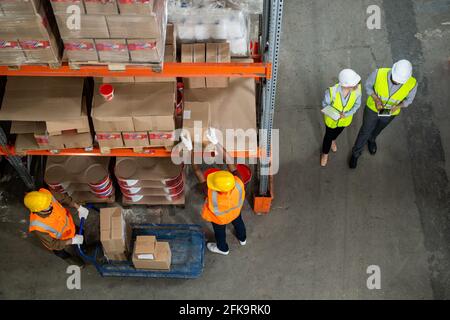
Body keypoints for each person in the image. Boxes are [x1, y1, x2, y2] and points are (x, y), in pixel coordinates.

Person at [349, 60, 418, 169]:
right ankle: (355, 153)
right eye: (396, 80)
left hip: (390, 112)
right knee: (365, 130)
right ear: (393, 70)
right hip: (372, 109)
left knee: (379, 127)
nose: (397, 83)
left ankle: (372, 139)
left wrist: (397, 107)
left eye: (400, 82)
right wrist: (376, 99)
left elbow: (408, 100)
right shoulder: (378, 73)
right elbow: (368, 86)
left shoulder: (412, 83)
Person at [24, 188, 89, 266]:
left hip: (70, 227)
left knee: (81, 235)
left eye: (49, 202)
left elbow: (64, 198)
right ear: (38, 211)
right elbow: (52, 244)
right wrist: (71, 241)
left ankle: (83, 249)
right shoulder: (37, 226)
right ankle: (73, 261)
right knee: (61, 253)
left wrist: (79, 207)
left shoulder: (46, 195)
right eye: (47, 206)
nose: (51, 204)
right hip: (58, 241)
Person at [320, 69, 362, 167]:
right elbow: (324, 104)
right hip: (331, 120)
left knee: (337, 132)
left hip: (344, 120)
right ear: (345, 85)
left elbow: (357, 105)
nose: (356, 85)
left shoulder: (357, 90)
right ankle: (325, 154)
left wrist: (347, 114)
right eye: (354, 84)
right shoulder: (332, 92)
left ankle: (333, 140)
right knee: (328, 137)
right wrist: (334, 113)